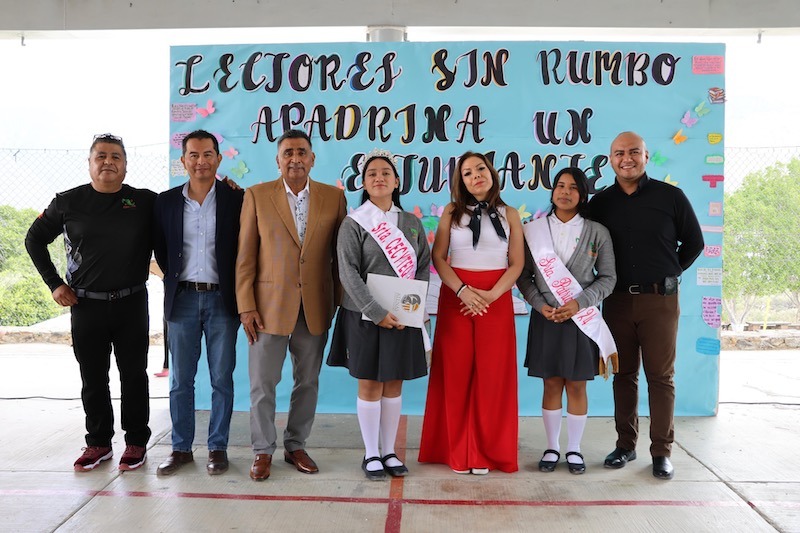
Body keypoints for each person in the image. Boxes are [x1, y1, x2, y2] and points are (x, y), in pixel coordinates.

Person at [25, 133, 154, 472]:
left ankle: (136, 442)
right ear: (90, 163)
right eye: (101, 156)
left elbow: (182, 209)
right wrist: (54, 284)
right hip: (86, 306)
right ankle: (98, 443)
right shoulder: (68, 202)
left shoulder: (144, 202)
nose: (108, 162)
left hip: (131, 303)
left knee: (134, 376)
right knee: (93, 377)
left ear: (125, 165)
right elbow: (34, 239)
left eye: (115, 157)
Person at [589, 131, 704, 480]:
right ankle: (625, 445)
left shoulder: (671, 197)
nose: (627, 158)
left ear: (646, 155)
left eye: (634, 152)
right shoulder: (600, 204)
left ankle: (661, 451)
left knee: (661, 377)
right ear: (610, 159)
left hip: (660, 302)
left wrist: (668, 274)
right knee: (624, 375)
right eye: (619, 152)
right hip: (617, 301)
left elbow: (695, 242)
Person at [237, 129, 346, 481]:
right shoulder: (256, 195)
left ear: (313, 159)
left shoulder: (333, 198)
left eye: (302, 152)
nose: (295, 158)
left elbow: (338, 257)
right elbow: (245, 256)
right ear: (278, 160)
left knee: (308, 381)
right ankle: (262, 450)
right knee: (262, 383)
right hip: (267, 308)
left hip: (316, 306)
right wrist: (246, 305)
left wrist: (339, 303)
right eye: (288, 153)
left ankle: (295, 444)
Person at [327, 150, 430, 480]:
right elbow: (347, 271)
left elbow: (424, 266)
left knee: (394, 384)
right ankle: (371, 453)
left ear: (397, 181)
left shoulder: (412, 224)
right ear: (364, 183)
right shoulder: (354, 223)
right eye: (372, 173)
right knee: (370, 383)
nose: (379, 177)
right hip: (363, 316)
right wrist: (375, 311)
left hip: (403, 317)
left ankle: (389, 451)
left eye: (386, 172)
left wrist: (414, 305)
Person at [419, 150, 523, 475]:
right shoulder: (452, 211)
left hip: (496, 297)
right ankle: (456, 449)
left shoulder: (511, 214)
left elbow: (517, 263)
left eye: (480, 168)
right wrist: (463, 290)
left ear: (491, 173)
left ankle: (485, 451)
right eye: (467, 172)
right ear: (460, 181)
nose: (475, 175)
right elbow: (439, 258)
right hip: (457, 297)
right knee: (455, 371)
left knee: (493, 376)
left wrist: (491, 295)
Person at [153, 129, 244, 476]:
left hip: (223, 299)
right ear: (183, 161)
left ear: (219, 159)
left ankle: (218, 447)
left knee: (222, 377)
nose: (200, 161)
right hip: (183, 299)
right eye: (193, 155)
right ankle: (180, 448)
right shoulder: (166, 202)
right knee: (181, 380)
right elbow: (161, 250)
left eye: (208, 154)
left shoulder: (238, 199)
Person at [517, 167, 617, 475]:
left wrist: (578, 303)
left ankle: (573, 449)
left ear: (582, 194)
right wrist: (540, 304)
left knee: (576, 385)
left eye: (573, 187)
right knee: (551, 383)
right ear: (552, 191)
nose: (565, 192)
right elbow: (523, 277)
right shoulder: (532, 230)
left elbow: (608, 278)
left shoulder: (597, 231)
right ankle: (552, 447)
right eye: (560, 186)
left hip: (581, 319)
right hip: (546, 318)